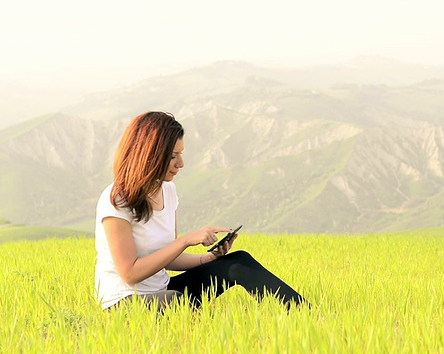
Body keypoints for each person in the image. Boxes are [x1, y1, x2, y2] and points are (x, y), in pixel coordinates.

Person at [94, 111, 308, 311]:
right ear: (148, 155)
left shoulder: (167, 191)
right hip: (123, 301)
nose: (181, 163)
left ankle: (309, 316)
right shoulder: (116, 200)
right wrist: (185, 241)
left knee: (238, 262)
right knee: (177, 302)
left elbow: (166, 257)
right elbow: (130, 274)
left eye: (181, 154)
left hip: (163, 289)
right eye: (172, 156)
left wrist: (208, 258)